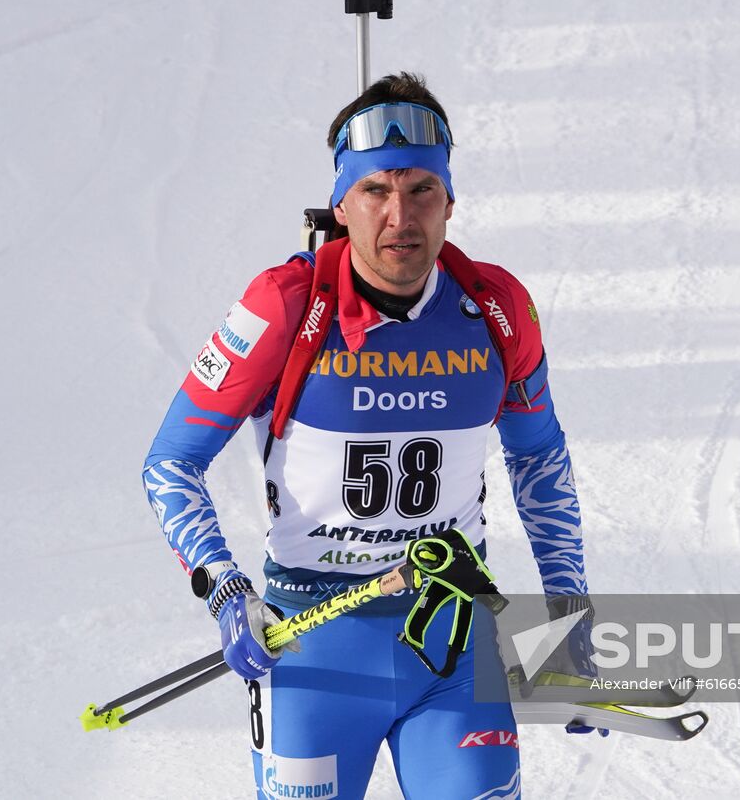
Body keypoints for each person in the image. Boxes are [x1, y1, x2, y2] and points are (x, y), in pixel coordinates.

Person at [143, 73, 592, 799]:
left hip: (451, 644)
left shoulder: (496, 307)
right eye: (377, 191)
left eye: (421, 190)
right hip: (314, 650)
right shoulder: (286, 305)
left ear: (450, 201)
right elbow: (171, 462)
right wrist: (227, 592)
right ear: (342, 203)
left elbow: (540, 457)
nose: (400, 216)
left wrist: (569, 615)